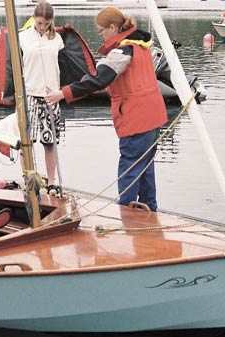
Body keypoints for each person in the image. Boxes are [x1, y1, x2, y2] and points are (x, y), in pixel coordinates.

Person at [46, 7, 167, 211]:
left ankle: (125, 213)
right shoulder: (141, 45)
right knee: (145, 167)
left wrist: (63, 93)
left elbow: (98, 80)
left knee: (129, 167)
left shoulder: (122, 51)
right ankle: (150, 212)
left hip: (136, 118)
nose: (99, 34)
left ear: (113, 27)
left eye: (101, 30)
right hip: (154, 116)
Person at [19, 2, 65, 194]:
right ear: (34, 18)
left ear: (51, 22)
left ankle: (52, 181)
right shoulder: (22, 37)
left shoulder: (57, 39)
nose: (42, 27)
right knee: (25, 141)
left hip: (50, 96)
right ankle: (28, 177)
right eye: (39, 23)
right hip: (30, 93)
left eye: (46, 24)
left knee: (50, 141)